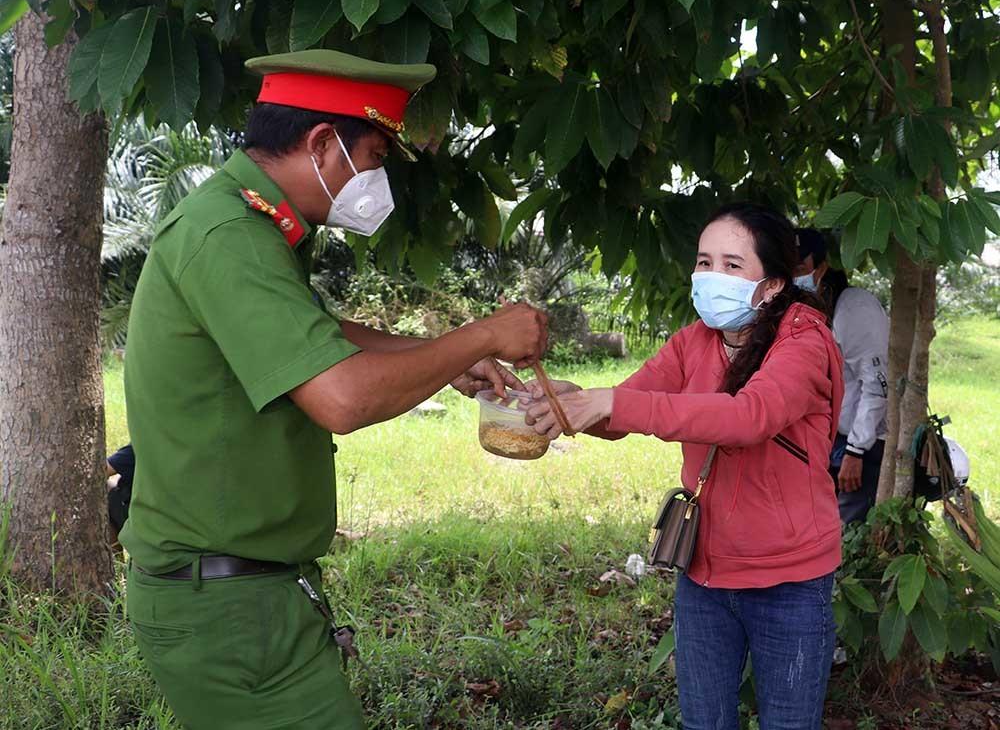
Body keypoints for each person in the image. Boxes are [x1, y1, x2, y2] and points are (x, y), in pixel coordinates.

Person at [120, 49, 548, 730]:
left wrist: (444, 360)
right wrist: (481, 337)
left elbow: (317, 334)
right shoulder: (229, 234)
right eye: (373, 158)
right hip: (228, 610)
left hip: (249, 593)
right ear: (322, 144)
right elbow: (340, 398)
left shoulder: (255, 226)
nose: (377, 180)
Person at [525, 204, 845, 730]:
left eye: (732, 265)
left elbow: (749, 416)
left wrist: (611, 402)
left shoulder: (804, 342)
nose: (712, 276)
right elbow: (622, 411)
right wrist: (572, 401)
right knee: (703, 723)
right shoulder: (693, 341)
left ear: (771, 285)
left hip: (789, 580)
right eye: (704, 262)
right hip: (704, 574)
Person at [794, 228, 890, 524]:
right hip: (836, 439)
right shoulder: (815, 309)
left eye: (799, 269)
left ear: (822, 268)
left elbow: (876, 384)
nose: (792, 277)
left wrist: (856, 452)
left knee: (844, 529)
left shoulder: (854, 308)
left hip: (864, 445)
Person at [105, 443, 135, 550]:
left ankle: (115, 555)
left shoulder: (137, 449)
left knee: (103, 489)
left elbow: (102, 470)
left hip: (138, 515)